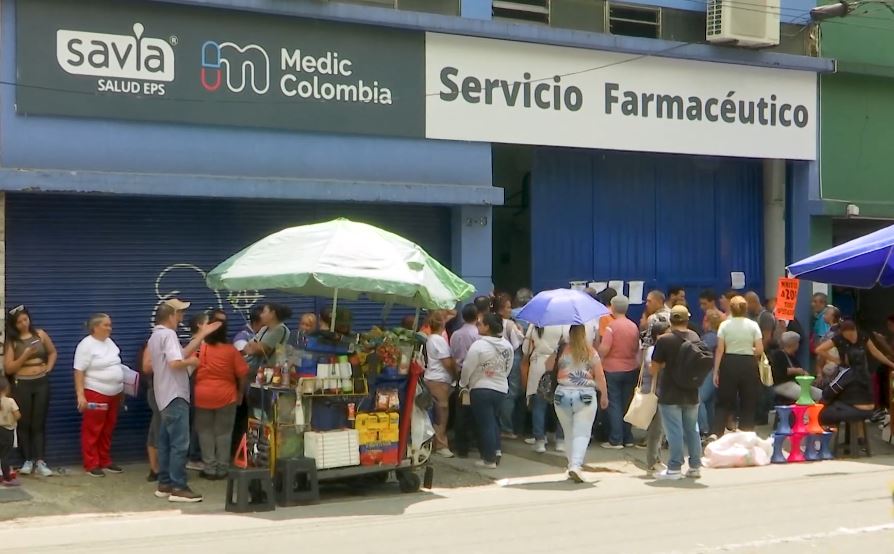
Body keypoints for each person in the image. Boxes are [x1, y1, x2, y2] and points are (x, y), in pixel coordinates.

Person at [148, 299, 220, 503]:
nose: (181, 317)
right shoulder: (169, 335)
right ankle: (179, 487)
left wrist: (201, 335)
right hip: (175, 395)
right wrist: (193, 362)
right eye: (179, 313)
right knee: (180, 444)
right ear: (171, 315)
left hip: (164, 396)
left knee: (165, 442)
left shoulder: (156, 335)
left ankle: (165, 484)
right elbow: (176, 362)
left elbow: (180, 353)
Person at [546, 324, 609, 483]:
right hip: (585, 394)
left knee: (569, 433)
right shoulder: (590, 352)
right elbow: (600, 376)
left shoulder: (562, 350)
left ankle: (570, 465)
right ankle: (576, 465)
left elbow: (547, 366)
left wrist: (556, 350)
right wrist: (604, 396)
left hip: (562, 394)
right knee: (582, 433)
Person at [3, 305, 58, 477]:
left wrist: (48, 368)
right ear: (14, 324)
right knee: (24, 423)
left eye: (25, 319)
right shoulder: (12, 342)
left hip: (41, 383)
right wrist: (25, 355)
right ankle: (27, 460)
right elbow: (9, 368)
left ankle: (40, 461)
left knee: (38, 424)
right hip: (22, 384)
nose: (23, 324)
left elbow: (52, 352)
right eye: (19, 322)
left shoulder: (40, 334)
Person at [651, 305, 703, 480]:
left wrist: (668, 364)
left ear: (670, 320)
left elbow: (654, 368)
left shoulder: (664, 340)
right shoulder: (695, 337)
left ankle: (674, 468)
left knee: (674, 431)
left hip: (670, 392)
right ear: (687, 320)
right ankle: (695, 466)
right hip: (692, 391)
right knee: (692, 430)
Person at [194, 312, 248, 480]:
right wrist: (240, 393)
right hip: (226, 395)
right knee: (223, 433)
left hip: (203, 395)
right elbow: (243, 373)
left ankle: (209, 468)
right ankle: (223, 468)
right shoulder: (231, 351)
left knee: (205, 432)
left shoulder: (201, 349)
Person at [74, 313, 126, 477]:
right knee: (93, 428)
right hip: (96, 392)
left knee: (108, 427)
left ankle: (105, 460)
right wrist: (81, 395)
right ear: (95, 327)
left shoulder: (109, 342)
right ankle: (91, 463)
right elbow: (79, 371)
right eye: (106, 325)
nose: (109, 328)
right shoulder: (86, 345)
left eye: (110, 325)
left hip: (115, 393)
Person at [459, 314, 513, 470]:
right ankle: (496, 451)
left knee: (485, 424)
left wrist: (463, 383)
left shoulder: (479, 346)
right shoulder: (508, 346)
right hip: (501, 388)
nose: (478, 326)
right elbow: (507, 368)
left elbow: (468, 367)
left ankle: (489, 459)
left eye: (480, 324)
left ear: (487, 326)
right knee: (493, 421)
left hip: (481, 388)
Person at [711, 296, 764, 438]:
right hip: (748, 363)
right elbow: (759, 350)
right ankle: (746, 434)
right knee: (748, 400)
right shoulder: (753, 325)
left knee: (723, 400)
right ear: (745, 309)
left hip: (729, 362)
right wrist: (747, 349)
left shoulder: (724, 325)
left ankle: (717, 433)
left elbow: (720, 350)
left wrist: (716, 371)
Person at [598, 295, 641, 449]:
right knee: (626, 404)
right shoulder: (633, 326)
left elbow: (604, 349)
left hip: (612, 369)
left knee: (614, 404)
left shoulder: (611, 327)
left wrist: (597, 357)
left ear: (613, 307)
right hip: (631, 368)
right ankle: (628, 438)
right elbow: (637, 348)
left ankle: (616, 439)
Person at [816, 320, 894, 404]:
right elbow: (819, 350)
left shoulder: (863, 336)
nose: (849, 337)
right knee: (836, 391)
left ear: (855, 330)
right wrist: (835, 360)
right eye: (846, 335)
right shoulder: (839, 338)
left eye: (851, 334)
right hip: (846, 369)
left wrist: (891, 364)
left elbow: (875, 352)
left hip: (862, 370)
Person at [522, 324, 566, 453]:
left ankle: (540, 440)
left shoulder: (534, 325)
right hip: (558, 365)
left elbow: (526, 349)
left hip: (538, 364)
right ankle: (560, 441)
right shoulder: (563, 324)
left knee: (539, 405)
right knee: (560, 405)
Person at [424, 312, 456, 459]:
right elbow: (447, 362)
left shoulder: (431, 338)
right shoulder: (439, 340)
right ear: (442, 323)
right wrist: (456, 374)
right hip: (439, 380)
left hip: (433, 378)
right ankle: (441, 444)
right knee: (442, 412)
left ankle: (436, 442)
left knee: (436, 412)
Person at [449, 304, 479, 458]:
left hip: (460, 374)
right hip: (475, 375)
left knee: (461, 410)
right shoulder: (478, 334)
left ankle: (462, 446)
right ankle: (474, 441)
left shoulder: (455, 334)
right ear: (477, 316)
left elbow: (453, 357)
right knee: (476, 409)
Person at [493, 293, 525, 439]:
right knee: (511, 393)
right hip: (513, 358)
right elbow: (518, 342)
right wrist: (521, 331)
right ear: (501, 309)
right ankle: (507, 427)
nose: (510, 310)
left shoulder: (493, 322)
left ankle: (501, 425)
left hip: (498, 360)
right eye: (508, 307)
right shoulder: (510, 324)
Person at [640, 321, 669, 474]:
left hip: (659, 391)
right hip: (652, 391)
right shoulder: (652, 350)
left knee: (659, 428)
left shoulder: (658, 348)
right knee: (655, 429)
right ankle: (653, 460)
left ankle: (656, 458)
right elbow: (652, 369)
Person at [769, 332, 821, 403]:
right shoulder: (777, 355)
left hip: (794, 384)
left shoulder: (792, 358)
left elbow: (801, 371)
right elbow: (779, 372)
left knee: (819, 394)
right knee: (805, 395)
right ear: (793, 344)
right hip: (781, 384)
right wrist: (796, 370)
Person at [698, 309, 724, 438]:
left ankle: (704, 429)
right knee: (709, 402)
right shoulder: (718, 336)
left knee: (699, 399)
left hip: (708, 371)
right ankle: (711, 428)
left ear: (707, 321)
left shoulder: (709, 338)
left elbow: (701, 355)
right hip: (716, 371)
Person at [245, 303, 292, 371]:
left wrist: (255, 346)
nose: (261, 315)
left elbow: (261, 350)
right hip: (261, 370)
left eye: (264, 312)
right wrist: (255, 346)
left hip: (274, 371)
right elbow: (246, 348)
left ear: (272, 314)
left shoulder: (280, 330)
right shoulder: (264, 329)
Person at [139, 337, 160, 482]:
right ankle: (157, 469)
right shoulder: (152, 344)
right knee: (159, 430)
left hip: (167, 391)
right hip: (158, 391)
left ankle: (156, 469)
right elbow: (146, 367)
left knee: (156, 429)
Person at [0, 375, 22, 486]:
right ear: (6, 388)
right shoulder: (10, 401)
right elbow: (17, 415)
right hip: (7, 430)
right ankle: (7, 478)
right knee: (5, 455)